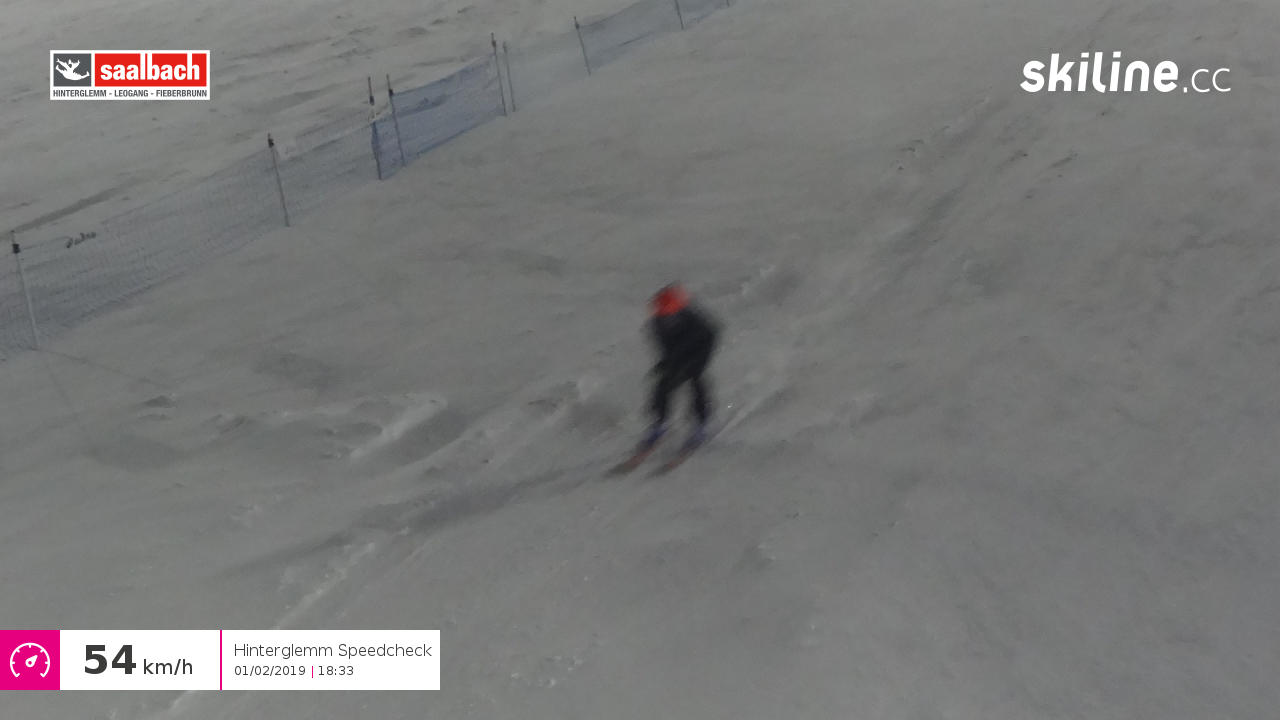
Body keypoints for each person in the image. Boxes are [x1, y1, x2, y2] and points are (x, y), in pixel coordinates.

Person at [639, 283, 721, 453]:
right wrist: (667, 363)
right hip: (676, 355)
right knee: (662, 387)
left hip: (698, 353)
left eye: (671, 314)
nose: (667, 319)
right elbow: (665, 348)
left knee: (696, 382)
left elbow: (710, 338)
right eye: (664, 315)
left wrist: (697, 362)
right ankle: (660, 423)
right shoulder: (656, 325)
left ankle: (701, 423)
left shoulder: (697, 323)